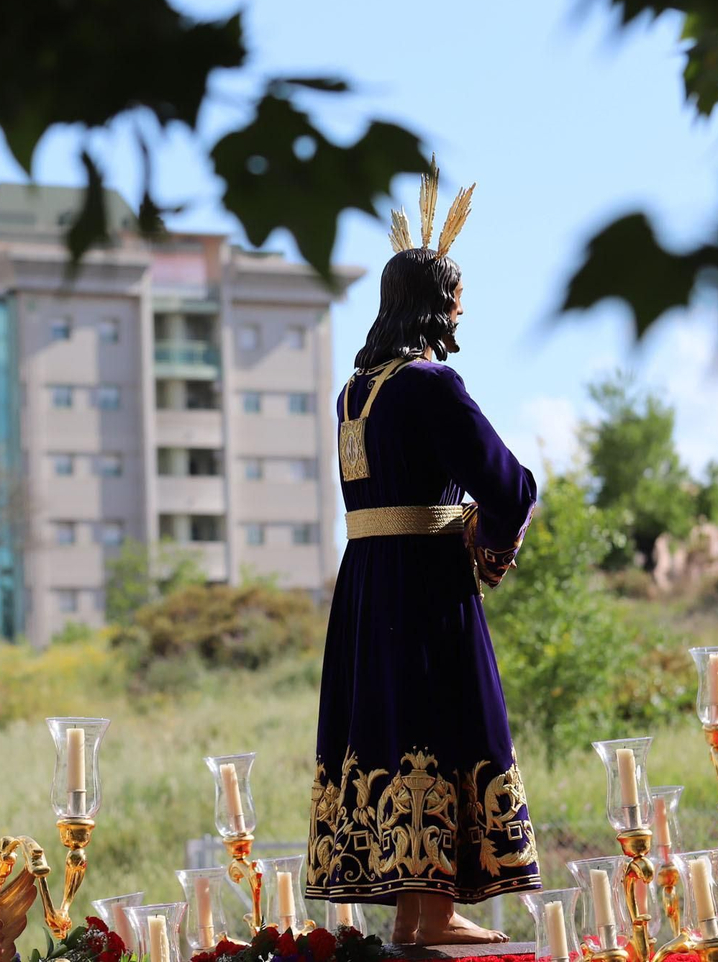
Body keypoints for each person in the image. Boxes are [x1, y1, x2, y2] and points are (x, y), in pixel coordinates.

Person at [303, 161, 540, 946]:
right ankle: (432, 908)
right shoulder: (432, 385)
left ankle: (416, 911)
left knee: (389, 730)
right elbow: (506, 484)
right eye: (459, 300)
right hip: (425, 590)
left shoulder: (353, 392)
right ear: (440, 305)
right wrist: (489, 538)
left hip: (366, 590)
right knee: (438, 724)